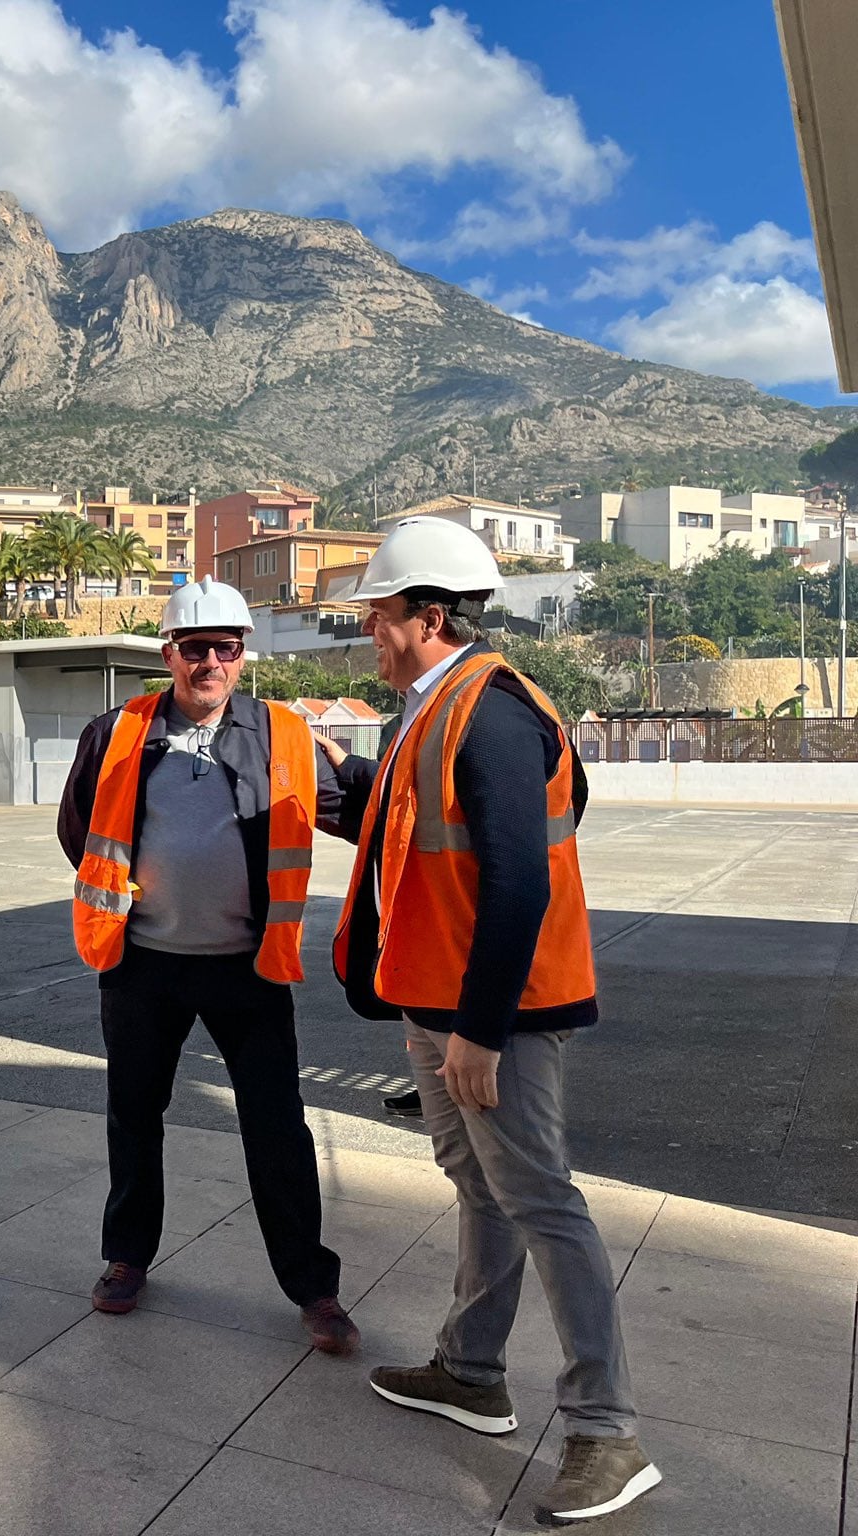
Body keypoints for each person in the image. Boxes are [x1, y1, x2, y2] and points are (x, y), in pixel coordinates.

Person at [327, 517, 660, 1526]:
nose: (368, 636)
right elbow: (408, 832)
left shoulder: (490, 714)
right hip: (435, 1002)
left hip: (494, 1017)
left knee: (540, 1199)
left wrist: (477, 1026)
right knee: (478, 1185)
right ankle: (470, 1370)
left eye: (378, 618)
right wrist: (313, 781)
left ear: (426, 619)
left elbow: (518, 878)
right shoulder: (429, 714)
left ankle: (606, 1432)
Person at [58, 576, 359, 1354]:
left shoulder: (284, 735)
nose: (212, 663)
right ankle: (127, 1257)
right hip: (143, 963)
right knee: (134, 1114)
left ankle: (313, 1289)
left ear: (243, 655)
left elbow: (354, 814)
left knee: (276, 1127)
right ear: (170, 654)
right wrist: (132, 894)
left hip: (248, 969)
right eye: (196, 649)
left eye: (227, 648)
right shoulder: (115, 732)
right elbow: (78, 829)